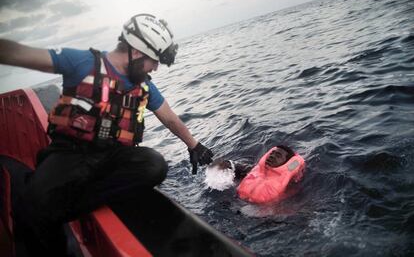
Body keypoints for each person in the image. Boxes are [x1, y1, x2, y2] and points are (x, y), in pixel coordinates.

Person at [0, 13, 213, 256]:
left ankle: (60, 206)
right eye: (154, 60)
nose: (155, 67)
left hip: (114, 155)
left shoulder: (143, 84)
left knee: (154, 165)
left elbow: (169, 117)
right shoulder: (80, 62)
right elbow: (18, 53)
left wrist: (194, 145)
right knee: (30, 207)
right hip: (70, 154)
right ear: (136, 52)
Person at [205, 146, 305, 203]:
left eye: (278, 155)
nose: (272, 156)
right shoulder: (254, 170)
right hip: (235, 201)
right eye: (272, 153)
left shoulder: (287, 182)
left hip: (263, 215)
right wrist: (224, 164)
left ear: (286, 162)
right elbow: (235, 167)